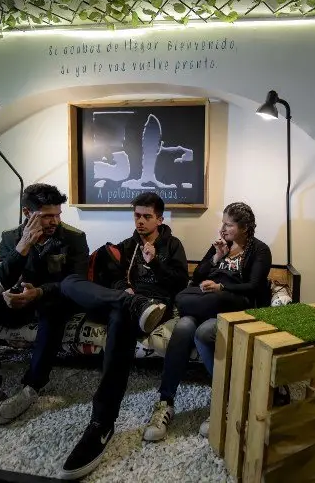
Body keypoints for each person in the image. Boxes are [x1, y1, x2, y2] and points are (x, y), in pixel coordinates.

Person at [57, 192, 189, 480]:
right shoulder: (129, 245)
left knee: (121, 318)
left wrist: (155, 263)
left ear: (159, 218)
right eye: (137, 216)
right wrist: (124, 290)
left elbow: (180, 283)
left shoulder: (172, 245)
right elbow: (114, 276)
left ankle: (101, 423)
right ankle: (130, 304)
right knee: (69, 282)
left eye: (147, 217)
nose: (140, 221)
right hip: (128, 300)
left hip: (155, 307)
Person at [143, 202, 272, 442]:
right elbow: (199, 276)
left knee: (204, 331)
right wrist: (216, 257)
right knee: (183, 326)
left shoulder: (260, 250)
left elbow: (254, 287)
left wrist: (221, 286)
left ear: (244, 227)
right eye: (222, 223)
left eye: (228, 225)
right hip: (207, 303)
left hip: (234, 307)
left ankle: (227, 400)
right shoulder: (223, 246)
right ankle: (165, 402)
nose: (222, 229)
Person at [0, 183, 89, 426]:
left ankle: (32, 386)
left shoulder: (74, 238)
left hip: (54, 299)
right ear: (27, 213)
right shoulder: (11, 237)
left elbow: (76, 281)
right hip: (20, 299)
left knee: (52, 311)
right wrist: (23, 248)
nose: (54, 221)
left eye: (57, 215)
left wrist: (40, 292)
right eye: (46, 216)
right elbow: (1, 281)